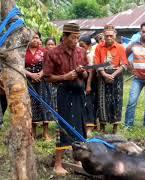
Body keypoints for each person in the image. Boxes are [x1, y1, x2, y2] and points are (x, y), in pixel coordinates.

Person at [43, 23, 88, 176]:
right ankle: (58, 164)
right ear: (65, 36)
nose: (76, 41)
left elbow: (87, 73)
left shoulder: (81, 52)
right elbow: (47, 77)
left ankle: (77, 159)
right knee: (63, 125)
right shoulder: (52, 53)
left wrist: (82, 73)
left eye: (78, 37)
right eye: (73, 38)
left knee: (79, 125)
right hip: (61, 92)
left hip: (78, 93)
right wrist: (65, 77)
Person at [95, 24, 128, 134]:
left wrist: (113, 75)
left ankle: (115, 128)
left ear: (115, 35)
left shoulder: (120, 47)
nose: (109, 38)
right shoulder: (99, 47)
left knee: (116, 101)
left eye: (111, 36)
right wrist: (104, 74)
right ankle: (103, 127)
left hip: (116, 76)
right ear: (103, 35)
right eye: (107, 36)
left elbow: (124, 65)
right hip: (102, 76)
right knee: (102, 101)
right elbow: (98, 64)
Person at [124, 22, 145, 129]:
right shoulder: (134, 44)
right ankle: (128, 125)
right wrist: (130, 67)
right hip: (137, 79)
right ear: (140, 31)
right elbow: (125, 54)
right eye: (143, 32)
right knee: (132, 102)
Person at [25, 32, 53, 141]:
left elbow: (48, 65)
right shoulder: (23, 51)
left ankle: (46, 133)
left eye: (37, 37)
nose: (36, 40)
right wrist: (31, 75)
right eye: (33, 37)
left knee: (44, 105)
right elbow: (19, 66)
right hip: (29, 81)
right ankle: (33, 134)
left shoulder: (44, 51)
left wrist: (40, 74)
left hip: (43, 82)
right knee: (32, 106)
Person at [79, 36, 97, 136]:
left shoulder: (90, 56)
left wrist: (88, 85)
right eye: (79, 45)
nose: (81, 48)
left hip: (89, 82)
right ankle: (84, 125)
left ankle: (90, 127)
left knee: (89, 103)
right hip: (81, 82)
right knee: (83, 103)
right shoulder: (80, 54)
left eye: (83, 46)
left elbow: (91, 72)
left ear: (89, 46)